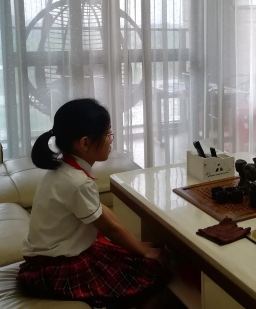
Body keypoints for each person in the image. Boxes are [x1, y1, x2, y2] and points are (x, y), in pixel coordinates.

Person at [17, 98, 169, 308]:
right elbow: (110, 228)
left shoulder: (64, 169)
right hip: (57, 266)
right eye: (107, 134)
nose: (111, 140)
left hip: (49, 256)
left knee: (133, 257)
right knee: (152, 273)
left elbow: (102, 212)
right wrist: (143, 251)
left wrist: (138, 244)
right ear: (85, 143)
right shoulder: (77, 182)